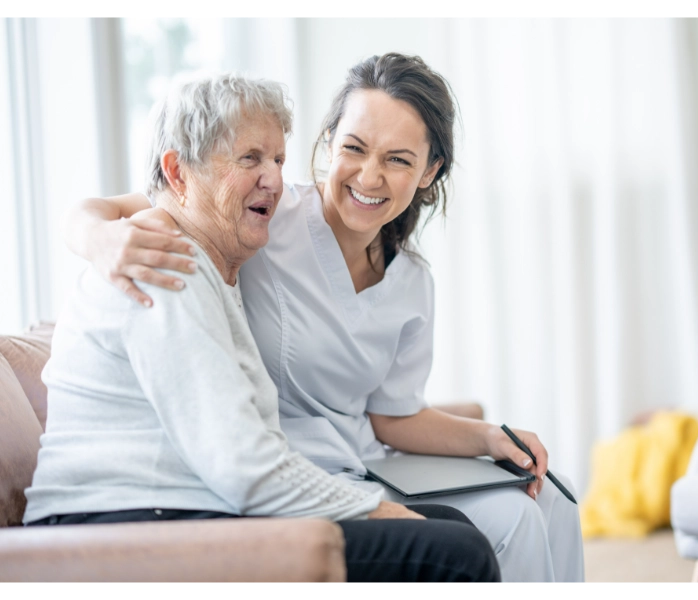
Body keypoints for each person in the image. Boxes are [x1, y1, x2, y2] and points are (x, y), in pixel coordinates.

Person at [65, 54, 584, 583]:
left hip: (359, 464)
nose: (370, 175)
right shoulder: (260, 218)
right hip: (279, 474)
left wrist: (489, 437)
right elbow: (159, 200)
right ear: (330, 142)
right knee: (496, 528)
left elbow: (392, 415)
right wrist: (94, 235)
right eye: (354, 148)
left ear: (429, 172)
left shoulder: (408, 280)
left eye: (399, 160)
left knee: (554, 500)